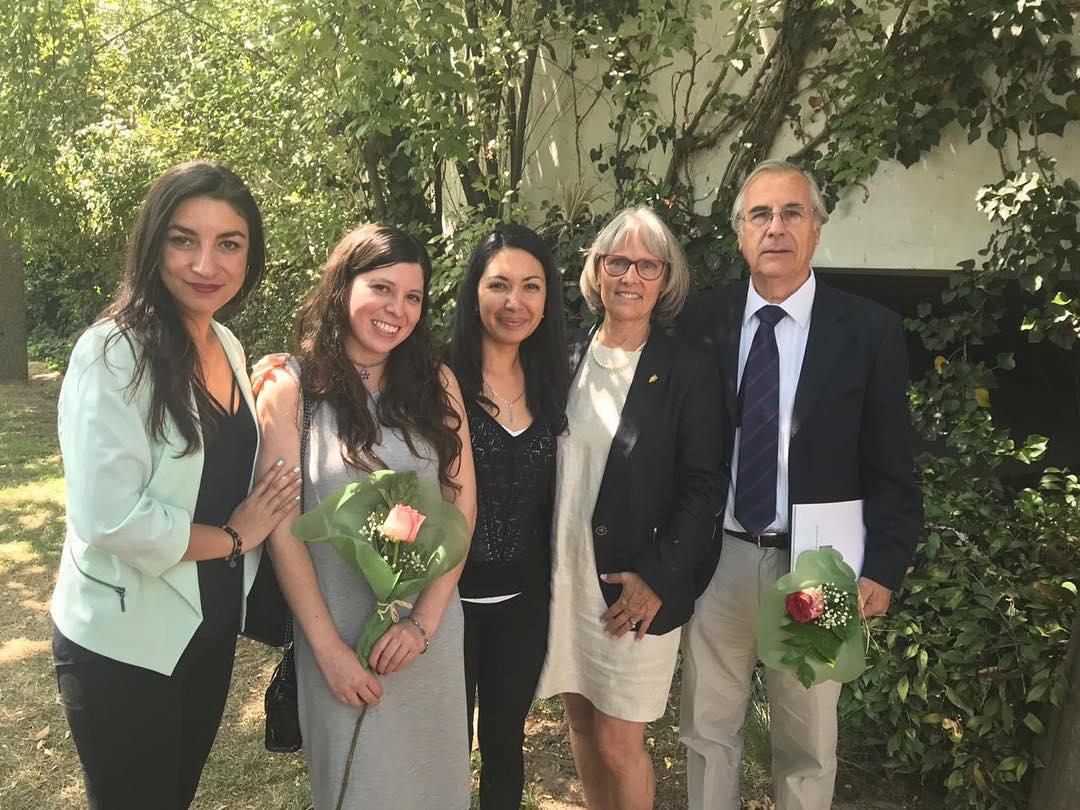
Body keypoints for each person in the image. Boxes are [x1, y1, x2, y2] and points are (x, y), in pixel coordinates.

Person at [49, 161, 302, 809]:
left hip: (204, 632)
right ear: (154, 241)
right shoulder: (112, 354)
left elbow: (225, 459)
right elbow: (108, 518)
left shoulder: (227, 343)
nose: (205, 263)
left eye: (229, 243)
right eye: (184, 239)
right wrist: (232, 538)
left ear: (251, 254)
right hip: (124, 641)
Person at [677, 159, 924, 810]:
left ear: (817, 228)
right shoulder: (703, 321)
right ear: (739, 233)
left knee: (808, 741)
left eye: (793, 213)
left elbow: (892, 461)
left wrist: (885, 565)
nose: (776, 227)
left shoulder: (869, 331)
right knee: (706, 733)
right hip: (718, 557)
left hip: (820, 561)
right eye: (760, 214)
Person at [255, 224, 477, 810]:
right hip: (337, 635)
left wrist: (422, 626)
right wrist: (327, 649)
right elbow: (282, 528)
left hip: (427, 633)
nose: (397, 310)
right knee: (357, 789)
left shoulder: (437, 383)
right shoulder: (289, 388)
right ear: (342, 286)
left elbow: (461, 505)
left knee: (437, 788)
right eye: (382, 288)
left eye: (412, 297)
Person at [535, 206, 726, 810]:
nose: (630, 276)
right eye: (618, 261)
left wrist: (659, 578)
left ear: (666, 280)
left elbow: (704, 487)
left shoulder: (688, 369)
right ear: (597, 270)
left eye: (648, 265)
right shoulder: (561, 357)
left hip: (631, 585)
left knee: (620, 740)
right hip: (563, 575)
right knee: (581, 725)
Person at [447, 224, 569, 809]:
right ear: (474, 293)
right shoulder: (434, 375)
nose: (513, 302)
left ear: (548, 300)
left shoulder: (556, 380)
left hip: (524, 607)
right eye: (498, 285)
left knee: (504, 746)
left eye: (531, 286)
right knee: (442, 748)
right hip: (444, 606)